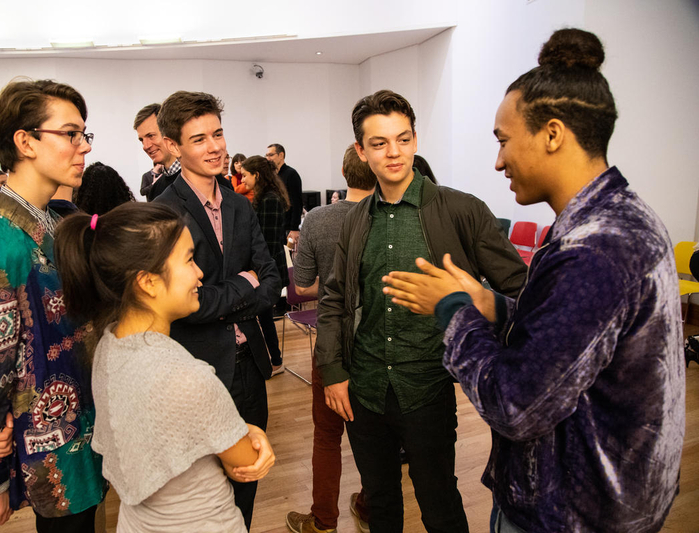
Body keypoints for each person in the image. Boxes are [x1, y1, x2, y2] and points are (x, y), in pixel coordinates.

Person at [383, 29, 685, 533]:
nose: (498, 160)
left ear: (552, 133)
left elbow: (517, 403)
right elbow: (576, 342)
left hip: (573, 511)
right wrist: (493, 307)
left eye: (503, 141)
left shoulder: (594, 250)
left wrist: (453, 311)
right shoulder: (620, 218)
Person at [316, 90, 527, 533]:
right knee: (380, 503)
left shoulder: (461, 210)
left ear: (414, 140)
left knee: (439, 503)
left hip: (427, 386)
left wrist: (482, 315)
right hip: (365, 389)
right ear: (361, 151)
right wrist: (333, 369)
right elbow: (334, 298)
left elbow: (521, 290)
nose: (394, 152)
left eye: (403, 138)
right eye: (379, 143)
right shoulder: (355, 220)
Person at [54, 203, 275, 532]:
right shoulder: (187, 377)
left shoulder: (108, 346)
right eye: (188, 259)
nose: (200, 272)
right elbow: (246, 459)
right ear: (148, 282)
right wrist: (251, 432)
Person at [0, 78, 106, 531]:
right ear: (25, 141)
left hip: (81, 420)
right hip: (48, 440)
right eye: (70, 134)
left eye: (84, 135)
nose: (83, 148)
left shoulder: (54, 219)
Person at [154, 90, 280, 529]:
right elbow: (186, 307)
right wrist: (244, 287)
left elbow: (272, 280)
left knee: (248, 481)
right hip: (197, 372)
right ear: (174, 146)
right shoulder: (164, 211)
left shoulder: (240, 204)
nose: (215, 147)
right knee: (206, 493)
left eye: (218, 134)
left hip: (249, 367)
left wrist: (230, 293)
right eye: (199, 138)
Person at [286, 144, 377, 533]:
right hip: (375, 342)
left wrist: (334, 286)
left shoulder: (319, 220)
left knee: (327, 435)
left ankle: (323, 519)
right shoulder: (388, 218)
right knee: (374, 436)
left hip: (330, 340)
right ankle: (370, 506)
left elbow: (303, 287)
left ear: (343, 172)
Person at [240, 155, 290, 374]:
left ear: (256, 175)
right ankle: (274, 359)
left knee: (265, 316)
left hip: (269, 269)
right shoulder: (266, 197)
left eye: (245, 175)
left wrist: (257, 273)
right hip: (267, 268)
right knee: (265, 316)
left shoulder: (270, 200)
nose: (242, 179)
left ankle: (276, 361)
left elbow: (268, 242)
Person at [135, 103, 182, 201]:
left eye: (151, 136)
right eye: (141, 140)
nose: (145, 146)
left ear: (170, 132)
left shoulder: (198, 179)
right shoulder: (155, 189)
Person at [266, 143, 303, 243]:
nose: (268, 158)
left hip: (288, 227)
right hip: (276, 225)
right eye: (266, 155)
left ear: (281, 155)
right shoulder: (272, 175)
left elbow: (297, 202)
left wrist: (294, 228)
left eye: (271, 155)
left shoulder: (291, 174)